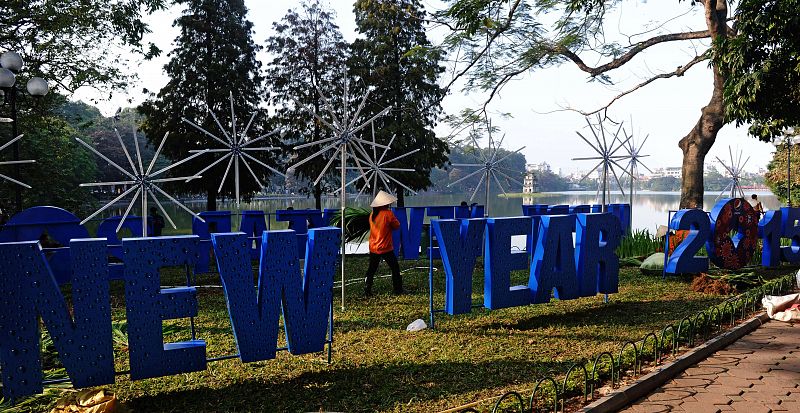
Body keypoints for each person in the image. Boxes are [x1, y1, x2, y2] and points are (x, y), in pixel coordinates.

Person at [364, 190, 403, 296]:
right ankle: (398, 289)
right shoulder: (388, 214)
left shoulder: (372, 215)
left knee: (372, 269)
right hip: (385, 247)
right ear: (385, 204)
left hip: (373, 247)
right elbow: (397, 225)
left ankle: (367, 288)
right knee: (395, 268)